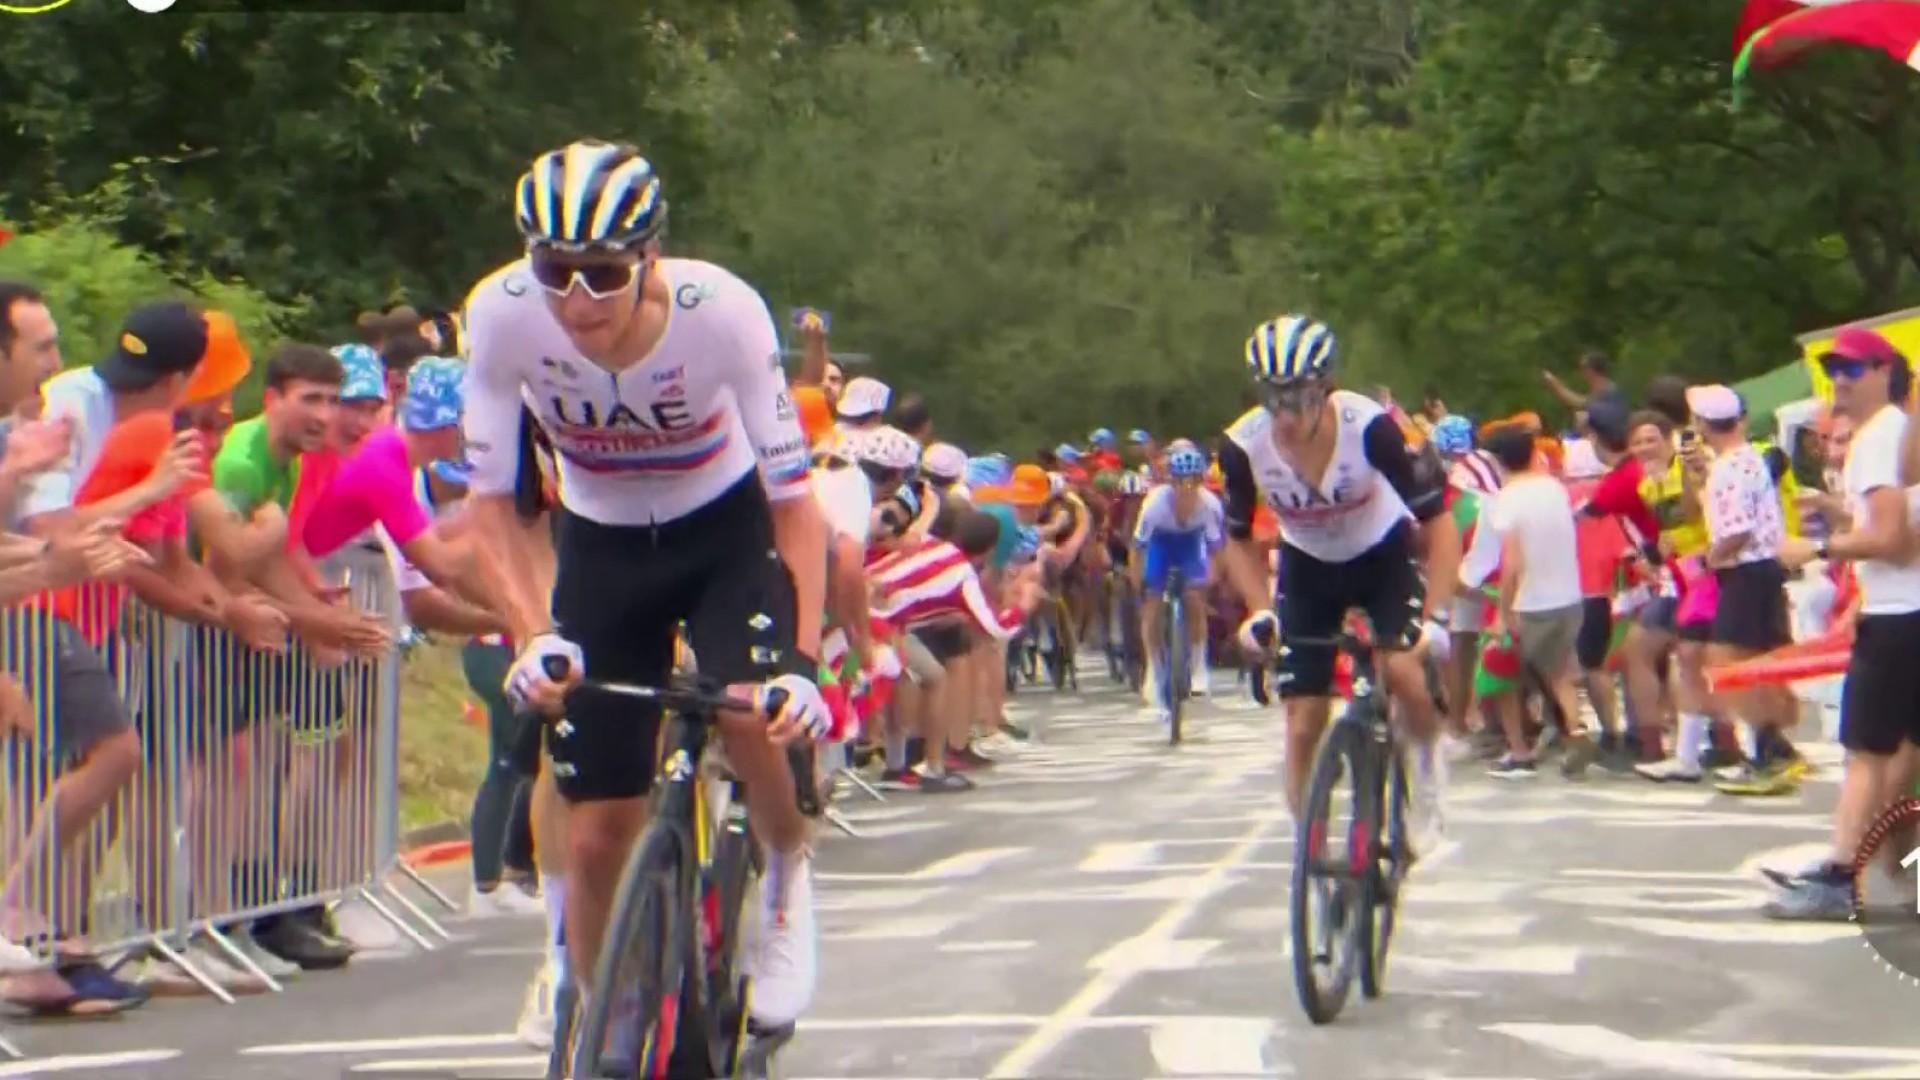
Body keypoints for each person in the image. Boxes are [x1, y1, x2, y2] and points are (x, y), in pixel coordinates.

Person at [460, 140, 829, 1033]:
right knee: (595, 834)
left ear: (649, 258)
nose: (577, 300)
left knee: (747, 711)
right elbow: (490, 507)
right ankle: (607, 1024)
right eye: (555, 271)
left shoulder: (724, 314)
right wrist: (529, 632)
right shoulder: (504, 316)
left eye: (602, 273)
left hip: (722, 528)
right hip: (603, 541)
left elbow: (795, 505)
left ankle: (785, 872)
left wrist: (806, 660)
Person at [1219, 314, 1461, 849]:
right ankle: (1309, 845)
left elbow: (1439, 525)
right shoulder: (1241, 446)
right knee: (1303, 719)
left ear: (1324, 388)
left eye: (1298, 398)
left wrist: (1438, 618)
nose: (1283, 415)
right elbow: (1236, 537)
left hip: (1381, 554)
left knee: (1402, 669)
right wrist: (1258, 610)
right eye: (1271, 398)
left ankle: (1424, 771)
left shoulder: (1370, 428)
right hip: (1307, 565)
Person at [1772, 328, 1919, 918]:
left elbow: (1890, 539)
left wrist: (1816, 550)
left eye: (1853, 370)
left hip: (1898, 619)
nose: (1841, 382)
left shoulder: (1879, 439)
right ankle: (1891, 868)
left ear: (1885, 372)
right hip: (1902, 611)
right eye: (1834, 371)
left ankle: (1842, 877)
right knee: (1902, 752)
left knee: (1867, 751)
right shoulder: (1897, 434)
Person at [1690, 384, 1801, 796]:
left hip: (1747, 570)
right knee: (1758, 658)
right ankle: (1772, 745)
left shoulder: (1730, 467)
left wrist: (1710, 558)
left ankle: (1769, 752)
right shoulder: (1747, 458)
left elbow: (1736, 530)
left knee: (1733, 660)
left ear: (1702, 424)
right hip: (1764, 568)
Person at [1480, 425, 1594, 778]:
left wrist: (1503, 613)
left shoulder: (1507, 499)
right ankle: (1574, 731)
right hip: (1570, 595)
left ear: (1497, 462)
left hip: (1532, 601)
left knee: (1501, 673)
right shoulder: (1554, 489)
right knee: (1559, 672)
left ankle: (1519, 750)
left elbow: (1513, 562)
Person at [1131, 443, 1224, 716]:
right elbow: (1137, 549)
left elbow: (1218, 549)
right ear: (1171, 481)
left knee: (1195, 598)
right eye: (1181, 481)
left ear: (1200, 481)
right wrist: (1138, 582)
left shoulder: (1209, 505)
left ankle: (1198, 665)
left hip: (1190, 544)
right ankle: (1153, 668)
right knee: (1153, 605)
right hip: (1161, 543)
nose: (1187, 488)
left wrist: (1211, 578)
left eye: (1193, 481)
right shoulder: (1154, 505)